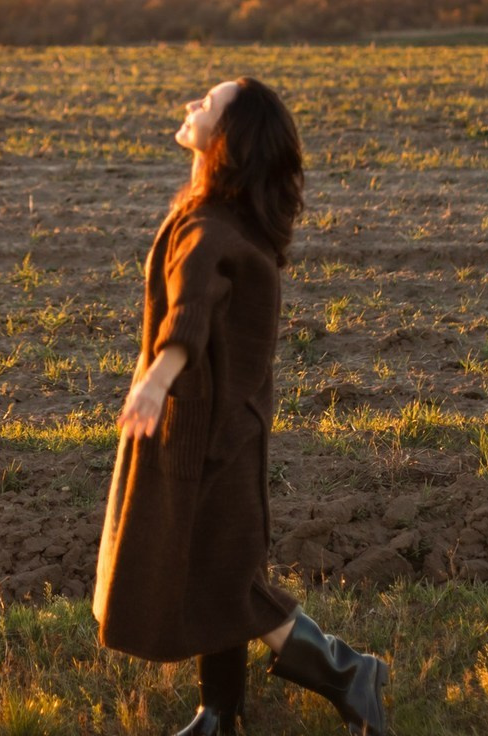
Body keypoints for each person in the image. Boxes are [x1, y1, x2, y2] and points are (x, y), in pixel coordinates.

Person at [94, 77, 390, 736]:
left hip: (210, 433)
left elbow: (191, 310)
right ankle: (219, 714)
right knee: (213, 565)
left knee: (232, 582)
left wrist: (155, 378)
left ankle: (347, 673)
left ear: (227, 138)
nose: (191, 106)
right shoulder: (228, 219)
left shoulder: (207, 229)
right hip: (225, 425)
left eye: (207, 102)